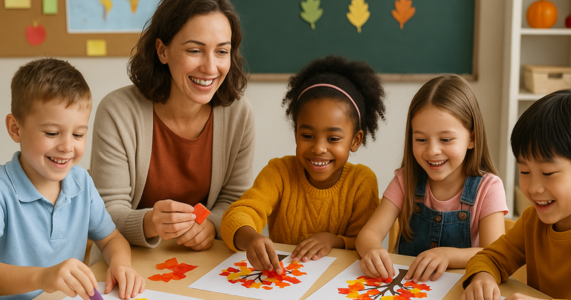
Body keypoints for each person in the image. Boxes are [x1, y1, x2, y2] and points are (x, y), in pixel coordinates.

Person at [89, 0, 254, 251]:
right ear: (162, 51)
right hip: (129, 262)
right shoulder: (117, 112)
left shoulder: (239, 115)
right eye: (194, 50)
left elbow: (234, 199)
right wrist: (149, 222)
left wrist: (211, 224)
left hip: (204, 262)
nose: (210, 68)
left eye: (222, 51)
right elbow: (105, 213)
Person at [221, 56, 386, 274]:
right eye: (307, 135)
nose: (318, 148)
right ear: (296, 133)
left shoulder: (362, 182)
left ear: (355, 140)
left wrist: (334, 240)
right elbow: (237, 215)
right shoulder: (279, 172)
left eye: (333, 139)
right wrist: (251, 237)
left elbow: (363, 241)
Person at [0, 58, 144, 300]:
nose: (67, 146)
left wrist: (121, 265)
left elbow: (110, 240)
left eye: (78, 134)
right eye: (52, 133)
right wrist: (43, 278)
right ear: (16, 129)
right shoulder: (3, 191)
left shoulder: (81, 182)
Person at [356, 75, 508, 283]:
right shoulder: (405, 180)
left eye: (445, 139)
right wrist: (372, 249)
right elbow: (369, 233)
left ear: (472, 138)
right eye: (421, 139)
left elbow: (495, 254)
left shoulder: (489, 187)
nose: (432, 150)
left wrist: (447, 255)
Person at [461, 90, 571, 300]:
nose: (534, 188)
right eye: (525, 171)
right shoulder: (532, 222)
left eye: (548, 173)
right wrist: (483, 278)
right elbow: (489, 257)